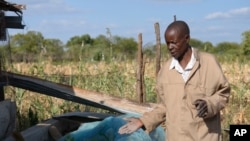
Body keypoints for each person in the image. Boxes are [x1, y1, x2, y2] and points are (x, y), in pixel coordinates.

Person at [118, 20, 231, 141]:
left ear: (186, 39)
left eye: (174, 42)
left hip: (205, 136)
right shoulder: (166, 71)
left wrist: (209, 104)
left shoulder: (208, 63)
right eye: (167, 43)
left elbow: (223, 94)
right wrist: (143, 121)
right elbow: (164, 107)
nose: (170, 47)